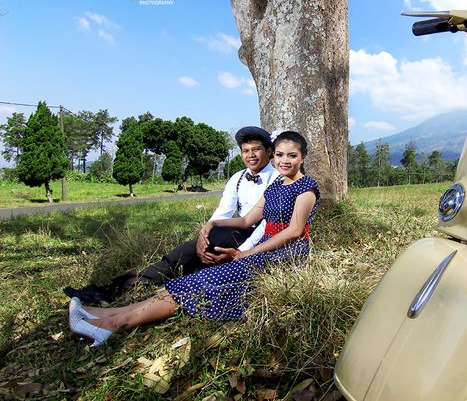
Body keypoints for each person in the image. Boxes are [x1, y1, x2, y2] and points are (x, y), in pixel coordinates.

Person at [69, 131, 319, 347]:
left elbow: (294, 231)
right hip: (262, 249)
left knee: (199, 282)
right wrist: (212, 223)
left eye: (292, 156)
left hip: (285, 254)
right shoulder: (274, 187)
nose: (284, 161)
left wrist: (243, 254)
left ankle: (115, 323)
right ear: (274, 155)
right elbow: (245, 220)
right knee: (191, 279)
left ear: (303, 158)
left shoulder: (306, 188)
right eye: (280, 155)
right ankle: (107, 314)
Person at [63, 126, 280, 303]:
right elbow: (221, 212)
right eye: (245, 150)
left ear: (269, 152)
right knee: (179, 256)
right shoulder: (238, 178)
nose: (250, 155)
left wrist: (240, 252)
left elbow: (266, 225)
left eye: (256, 149)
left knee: (197, 266)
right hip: (227, 232)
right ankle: (110, 290)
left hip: (254, 239)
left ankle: (163, 297)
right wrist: (202, 237)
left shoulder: (278, 179)